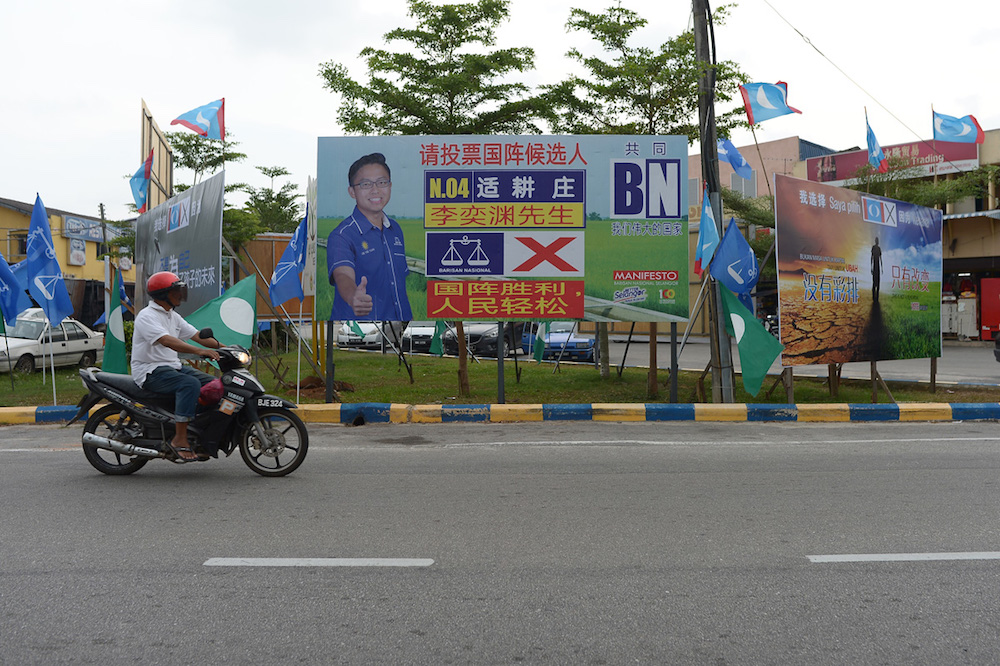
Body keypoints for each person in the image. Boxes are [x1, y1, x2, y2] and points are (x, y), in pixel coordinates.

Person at [131, 271, 221, 462]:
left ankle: (197, 431)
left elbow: (197, 336)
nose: (180, 295)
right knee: (189, 384)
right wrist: (198, 352)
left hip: (172, 367)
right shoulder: (147, 316)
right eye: (176, 292)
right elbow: (167, 341)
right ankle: (179, 438)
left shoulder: (172, 316)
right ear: (164, 295)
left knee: (215, 385)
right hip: (150, 370)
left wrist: (227, 348)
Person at [327, 152, 412, 322]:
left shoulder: (395, 229)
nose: (376, 190)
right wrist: (353, 297)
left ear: (390, 185)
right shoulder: (342, 235)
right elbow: (343, 275)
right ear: (352, 191)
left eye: (382, 182)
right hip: (361, 331)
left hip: (401, 326)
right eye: (366, 184)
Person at [871, 236, 883, 302]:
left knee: (878, 281)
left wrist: (882, 267)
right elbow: (871, 257)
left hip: (878, 266)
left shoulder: (879, 248)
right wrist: (871, 267)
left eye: (878, 240)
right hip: (875, 266)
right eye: (876, 240)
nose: (877, 241)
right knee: (874, 281)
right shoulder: (874, 247)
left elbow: (881, 258)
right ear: (875, 241)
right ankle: (873, 296)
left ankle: (877, 297)